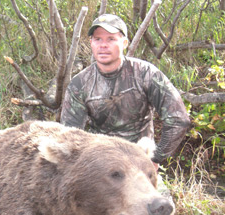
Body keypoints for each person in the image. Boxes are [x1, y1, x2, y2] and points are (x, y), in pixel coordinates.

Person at [60, 14, 191, 169]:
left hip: (140, 164)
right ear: (91, 43)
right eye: (98, 39)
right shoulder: (79, 83)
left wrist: (156, 158)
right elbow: (71, 136)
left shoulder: (146, 73)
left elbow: (179, 119)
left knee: (158, 194)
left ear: (124, 43)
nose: (103, 45)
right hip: (100, 168)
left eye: (111, 39)